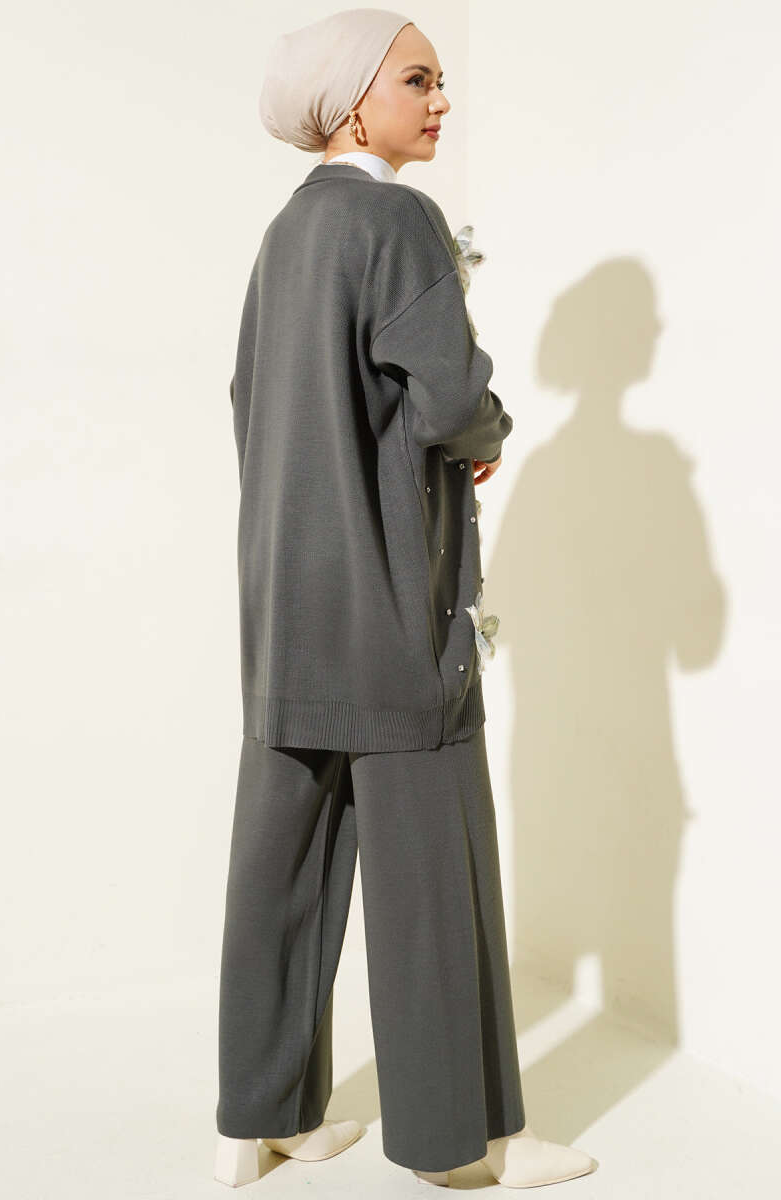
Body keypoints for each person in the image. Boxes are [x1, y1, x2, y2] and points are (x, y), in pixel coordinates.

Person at [214, 8, 597, 1190]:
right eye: (418, 80)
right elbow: (447, 399)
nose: (440, 101)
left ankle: (259, 1119)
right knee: (434, 875)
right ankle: (462, 1143)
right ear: (349, 103)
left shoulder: (286, 233)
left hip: (285, 608)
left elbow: (246, 397)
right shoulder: (396, 219)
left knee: (282, 868)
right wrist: (487, 432)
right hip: (388, 607)